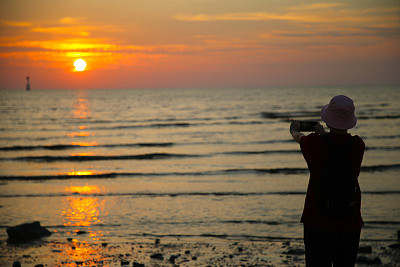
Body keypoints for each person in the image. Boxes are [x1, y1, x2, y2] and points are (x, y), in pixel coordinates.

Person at [290, 95, 365, 267]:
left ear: (329, 119)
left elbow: (298, 136)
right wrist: (324, 135)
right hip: (349, 219)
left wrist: (294, 129)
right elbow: (338, 147)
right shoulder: (358, 145)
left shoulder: (314, 142)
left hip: (317, 218)